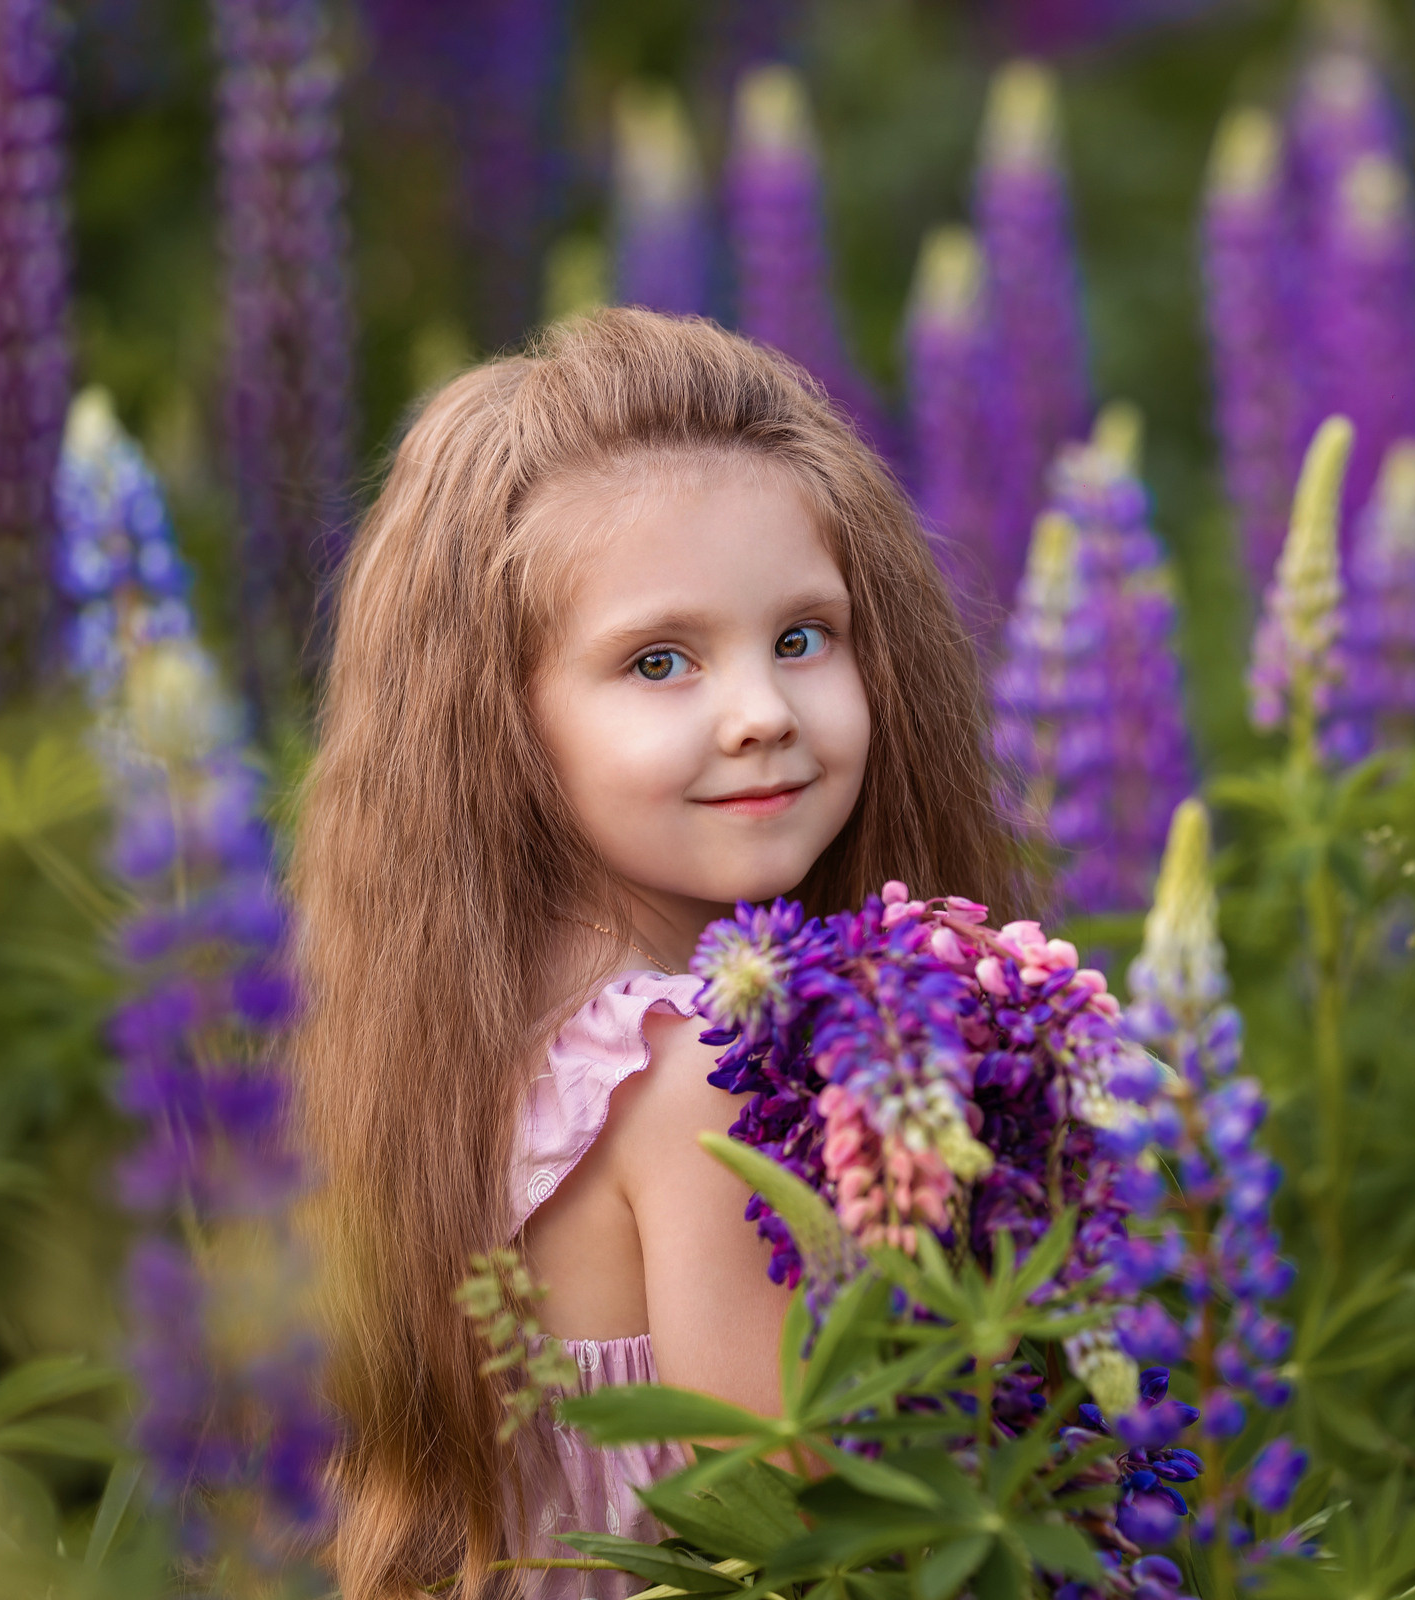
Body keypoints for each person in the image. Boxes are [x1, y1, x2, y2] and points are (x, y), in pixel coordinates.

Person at [289, 308, 1019, 1599]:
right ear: (499, 724)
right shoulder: (696, 1076)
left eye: (803, 638)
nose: (760, 715)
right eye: (661, 661)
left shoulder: (444, 1048)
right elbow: (821, 1547)